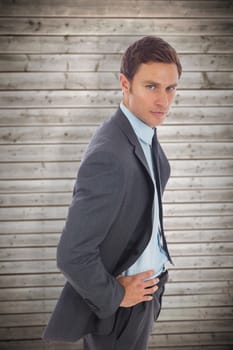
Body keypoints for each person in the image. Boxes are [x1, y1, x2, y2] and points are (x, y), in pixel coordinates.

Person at [43, 36, 182, 350]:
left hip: (146, 294)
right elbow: (72, 254)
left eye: (170, 88)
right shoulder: (111, 153)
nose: (163, 101)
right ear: (125, 83)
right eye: (151, 87)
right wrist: (118, 295)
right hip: (122, 309)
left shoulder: (142, 133)